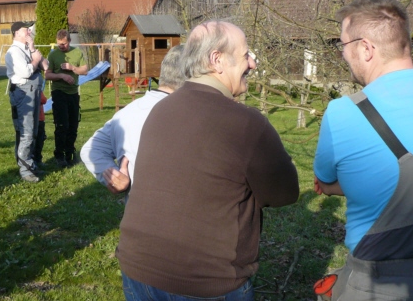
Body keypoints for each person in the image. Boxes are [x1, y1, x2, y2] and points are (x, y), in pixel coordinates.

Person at [116, 20, 299, 300]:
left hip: (138, 270)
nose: (252, 64)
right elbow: (285, 193)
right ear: (217, 60)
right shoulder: (245, 123)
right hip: (203, 282)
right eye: (246, 55)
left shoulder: (161, 109)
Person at [313, 0, 413, 299]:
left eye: (343, 44)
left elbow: (325, 183)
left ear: (366, 49)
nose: (342, 54)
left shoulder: (342, 112)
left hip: (378, 284)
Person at [80, 45, 185, 197]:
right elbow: (92, 149)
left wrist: (113, 174)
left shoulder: (125, 113)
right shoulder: (187, 116)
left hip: (136, 208)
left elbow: (91, 149)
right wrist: (114, 176)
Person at [5, 21, 48, 182]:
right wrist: (35, 61)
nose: (29, 32)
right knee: (26, 132)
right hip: (23, 94)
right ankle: (25, 170)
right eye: (26, 30)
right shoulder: (14, 51)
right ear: (17, 33)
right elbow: (25, 72)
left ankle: (31, 164)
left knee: (33, 130)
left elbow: (46, 66)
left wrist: (33, 49)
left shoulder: (28, 49)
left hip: (33, 92)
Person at [45, 29, 88, 167]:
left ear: (69, 41)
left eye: (64, 44)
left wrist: (73, 68)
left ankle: (70, 153)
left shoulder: (77, 52)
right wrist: (61, 76)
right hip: (59, 93)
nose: (61, 46)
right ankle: (59, 155)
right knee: (62, 124)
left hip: (73, 93)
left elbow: (85, 70)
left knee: (73, 125)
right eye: (59, 44)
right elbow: (47, 75)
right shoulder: (53, 55)